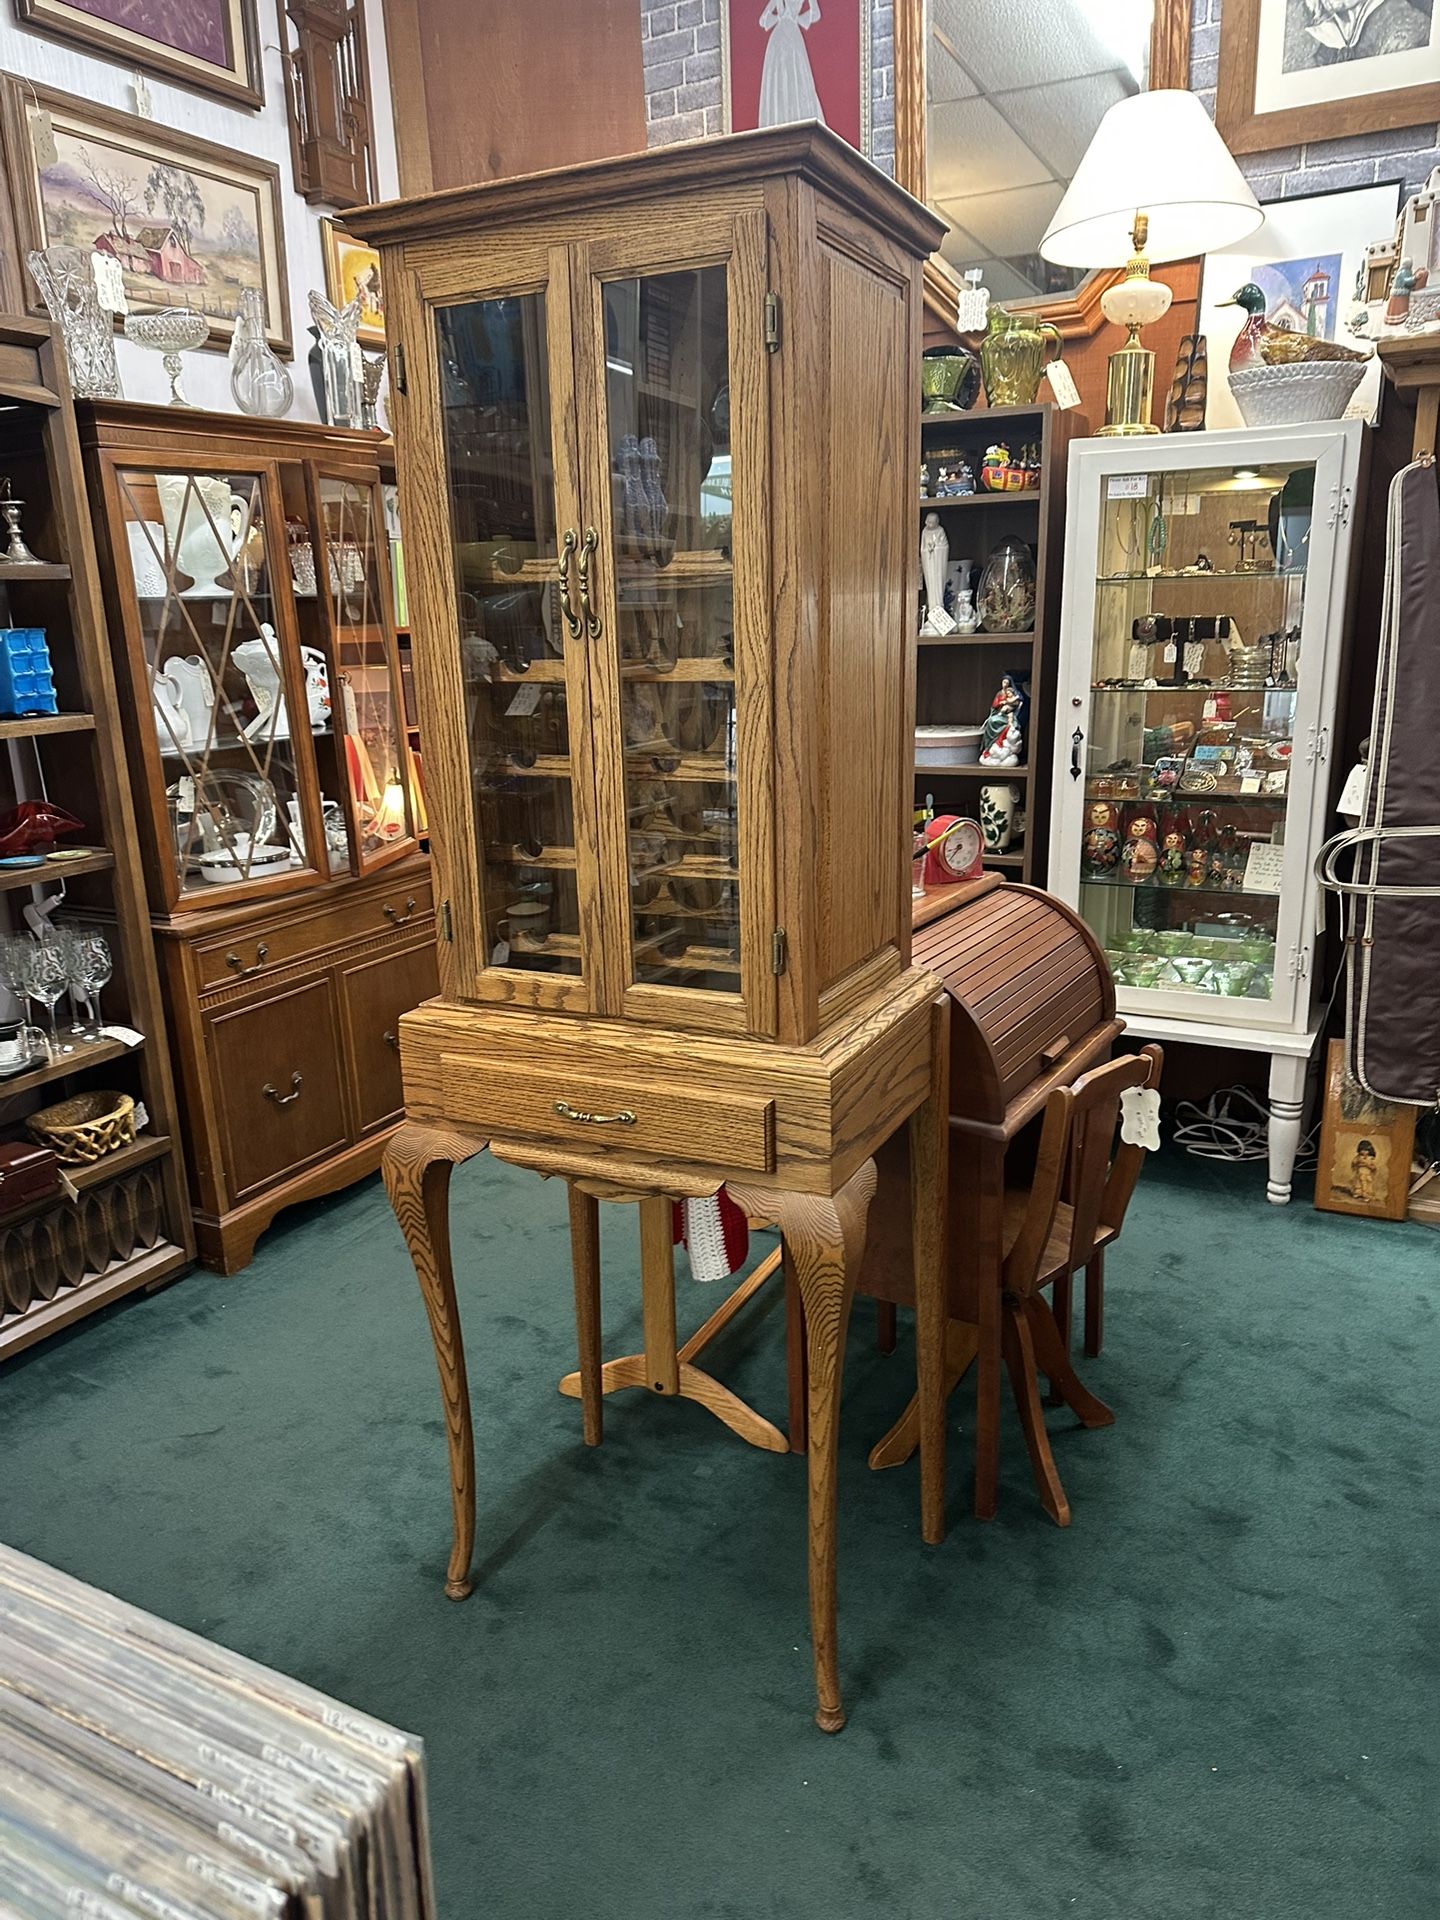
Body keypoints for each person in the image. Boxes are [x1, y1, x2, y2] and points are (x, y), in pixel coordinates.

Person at [759, 0, 825, 129]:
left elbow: (816, 14)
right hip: (777, 40)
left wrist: (799, 19)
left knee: (796, 75)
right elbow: (762, 20)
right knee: (779, 77)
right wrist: (778, 18)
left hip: (792, 38)